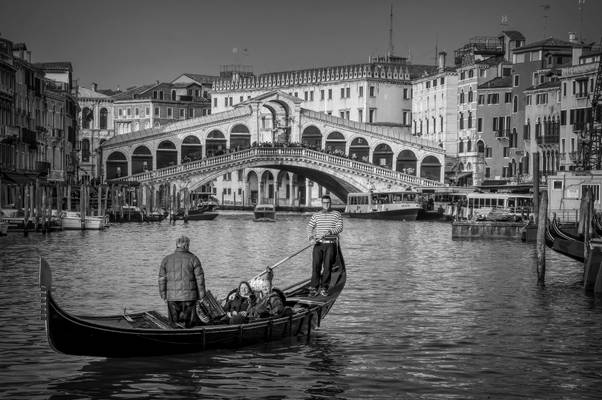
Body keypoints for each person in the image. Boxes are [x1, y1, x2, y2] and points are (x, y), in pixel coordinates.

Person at [158, 235, 206, 328]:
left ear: (177, 245)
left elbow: (161, 279)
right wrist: (201, 296)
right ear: (186, 245)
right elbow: (200, 279)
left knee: (174, 325)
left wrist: (163, 296)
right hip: (189, 298)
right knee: (189, 326)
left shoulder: (166, 259)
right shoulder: (194, 259)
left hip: (172, 298)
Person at [306, 195, 343, 297]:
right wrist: (311, 238)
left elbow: (340, 228)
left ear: (330, 203)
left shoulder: (337, 214)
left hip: (330, 245)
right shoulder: (316, 215)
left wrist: (330, 231)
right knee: (316, 267)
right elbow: (309, 227)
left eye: (328, 203)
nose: (327, 205)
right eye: (325, 203)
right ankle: (314, 288)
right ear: (322, 203)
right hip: (318, 244)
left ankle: (324, 288)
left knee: (327, 268)